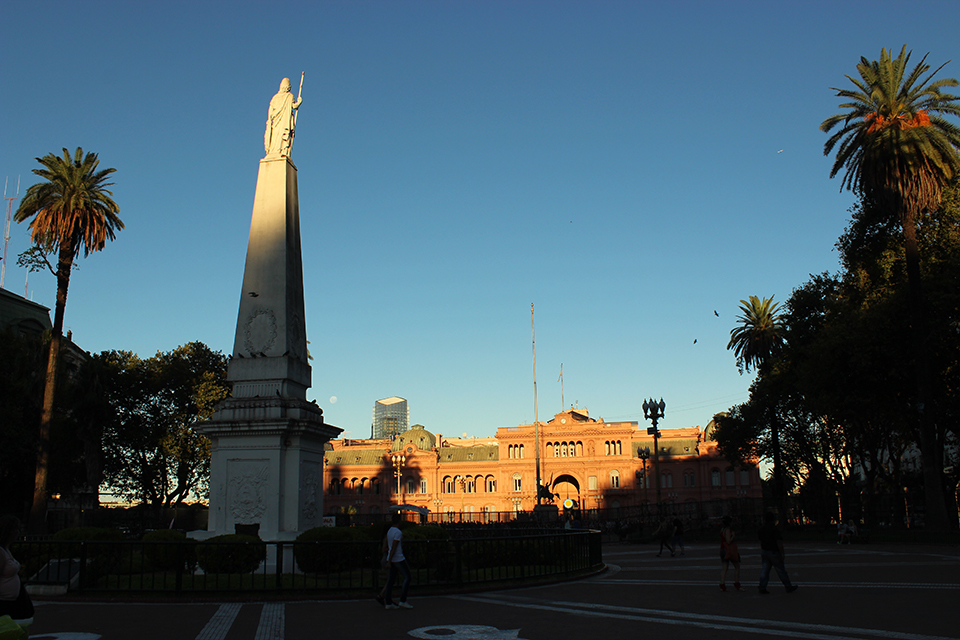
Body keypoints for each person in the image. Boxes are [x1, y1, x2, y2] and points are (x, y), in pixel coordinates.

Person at [0, 515, 34, 622]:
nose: (17, 532)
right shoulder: (1, 552)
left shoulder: (6, 550)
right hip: (3, 600)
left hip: (11, 600)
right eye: (15, 529)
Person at [757, 511, 798, 594]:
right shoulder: (774, 529)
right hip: (774, 551)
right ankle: (788, 586)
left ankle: (762, 586)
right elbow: (779, 542)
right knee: (780, 570)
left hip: (765, 551)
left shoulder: (762, 529)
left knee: (765, 570)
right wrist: (782, 552)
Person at [264, 77, 302, 157]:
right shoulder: (289, 96)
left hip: (278, 121)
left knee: (276, 136)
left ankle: (277, 151)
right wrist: (299, 102)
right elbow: (294, 106)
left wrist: (269, 120)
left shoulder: (276, 97)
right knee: (281, 136)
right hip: (284, 121)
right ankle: (281, 151)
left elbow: (270, 111)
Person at [380, 513, 412, 609]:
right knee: (408, 577)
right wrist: (389, 561)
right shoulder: (398, 532)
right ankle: (403, 600)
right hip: (398, 558)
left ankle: (389, 602)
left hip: (392, 558)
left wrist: (389, 559)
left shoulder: (390, 531)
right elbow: (394, 547)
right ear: (399, 521)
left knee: (391, 580)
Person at [719, 516, 741, 591]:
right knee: (737, 567)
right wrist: (733, 536)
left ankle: (722, 584)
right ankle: (737, 583)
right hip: (728, 550)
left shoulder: (722, 529)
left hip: (722, 549)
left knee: (724, 568)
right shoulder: (728, 530)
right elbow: (728, 541)